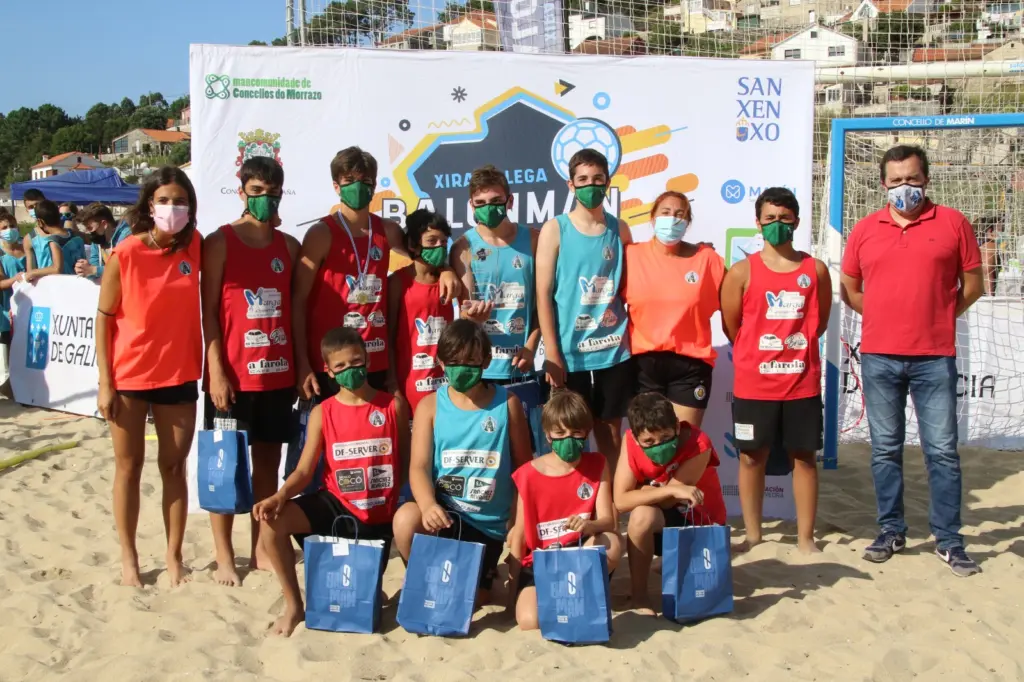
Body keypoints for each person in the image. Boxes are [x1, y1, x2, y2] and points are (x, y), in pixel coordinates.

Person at [840, 145, 984, 577]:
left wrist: (938, 315)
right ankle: (891, 531)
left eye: (913, 178)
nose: (905, 186)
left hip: (934, 358)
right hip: (879, 356)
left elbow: (973, 285)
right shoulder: (865, 229)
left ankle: (949, 540)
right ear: (883, 184)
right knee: (885, 450)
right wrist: (885, 317)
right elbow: (850, 288)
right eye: (897, 180)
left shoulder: (954, 223)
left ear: (927, 179)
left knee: (942, 452)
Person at [254, 328, 409, 636]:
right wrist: (279, 496)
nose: (351, 369)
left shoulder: (392, 405)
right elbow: (303, 471)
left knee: (368, 596)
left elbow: (406, 464)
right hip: (337, 507)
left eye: (356, 361)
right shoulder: (323, 412)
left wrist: (395, 503)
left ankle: (399, 588)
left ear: (367, 359)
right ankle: (294, 605)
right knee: (271, 522)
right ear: (328, 370)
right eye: (341, 366)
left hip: (379, 515)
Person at [95, 166, 203, 588]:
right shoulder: (126, 253)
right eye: (164, 200)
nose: (172, 208)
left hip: (179, 374)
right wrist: (105, 383)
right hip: (129, 376)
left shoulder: (196, 245)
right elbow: (104, 318)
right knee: (129, 468)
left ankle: (174, 557)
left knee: (174, 468)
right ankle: (130, 558)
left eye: (180, 201)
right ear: (148, 206)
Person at [291, 146, 460, 402]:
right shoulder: (321, 234)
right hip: (334, 363)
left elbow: (422, 252)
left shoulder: (387, 230)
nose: (358, 187)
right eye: (349, 180)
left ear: (373, 186)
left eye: (365, 181)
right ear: (336, 186)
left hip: (374, 359)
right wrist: (302, 363)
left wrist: (446, 269)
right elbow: (298, 300)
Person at [201, 156, 299, 586]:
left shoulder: (289, 246)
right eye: (257, 191)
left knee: (267, 466)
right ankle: (224, 555)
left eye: (272, 193)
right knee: (223, 470)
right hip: (232, 377)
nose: (265, 199)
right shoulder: (219, 242)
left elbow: (295, 310)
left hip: (277, 373)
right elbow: (208, 313)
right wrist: (216, 371)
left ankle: (261, 548)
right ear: (242, 192)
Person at [720, 187, 831, 553]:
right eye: (770, 218)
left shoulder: (815, 270)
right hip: (755, 385)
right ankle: (753, 534)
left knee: (805, 459)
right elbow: (732, 327)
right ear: (758, 222)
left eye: (784, 218)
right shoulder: (741, 272)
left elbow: (819, 323)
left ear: (796, 222)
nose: (777, 224)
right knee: (752, 458)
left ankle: (805, 538)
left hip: (802, 383)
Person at [392, 319, 533, 605]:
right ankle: (422, 578)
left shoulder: (508, 404)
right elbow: (418, 467)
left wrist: (517, 521)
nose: (462, 368)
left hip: (488, 526)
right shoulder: (429, 405)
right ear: (441, 363)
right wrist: (428, 505)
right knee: (406, 518)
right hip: (445, 515)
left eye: (470, 361)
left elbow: (523, 468)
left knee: (474, 598)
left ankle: (481, 578)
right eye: (454, 362)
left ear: (486, 361)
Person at [536, 149, 632, 467]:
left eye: (597, 179)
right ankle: (573, 496)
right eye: (583, 179)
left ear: (607, 182)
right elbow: (543, 293)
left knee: (610, 435)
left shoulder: (620, 230)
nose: (591, 185)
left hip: (613, 352)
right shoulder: (555, 229)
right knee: (569, 436)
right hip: (569, 354)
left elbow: (632, 287)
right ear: (571, 184)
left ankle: (610, 497)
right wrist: (552, 351)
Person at [508, 390, 621, 631]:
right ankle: (563, 596)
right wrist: (512, 593)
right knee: (529, 621)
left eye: (576, 432)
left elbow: (608, 520)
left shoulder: (598, 463)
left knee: (611, 543)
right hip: (542, 559)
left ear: (586, 432)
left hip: (580, 552)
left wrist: (589, 525)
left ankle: (583, 595)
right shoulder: (527, 474)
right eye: (560, 433)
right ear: (548, 434)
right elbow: (519, 533)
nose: (568, 439)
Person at [452, 164, 546, 452]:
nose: (488, 208)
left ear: (510, 201)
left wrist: (531, 346)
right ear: (471, 206)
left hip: (523, 369)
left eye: (495, 201)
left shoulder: (534, 239)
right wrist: (473, 318)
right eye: (480, 203)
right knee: (489, 453)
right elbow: (464, 313)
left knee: (527, 454)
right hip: (482, 371)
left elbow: (544, 303)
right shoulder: (462, 247)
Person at [614, 391, 723, 614]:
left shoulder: (699, 444)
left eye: (665, 438)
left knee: (644, 511)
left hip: (698, 525)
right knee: (641, 516)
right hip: (664, 517)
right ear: (636, 438)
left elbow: (667, 503)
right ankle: (639, 597)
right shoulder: (629, 440)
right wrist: (671, 488)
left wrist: (643, 490)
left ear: (677, 427)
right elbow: (621, 501)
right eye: (649, 441)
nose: (658, 445)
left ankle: (669, 562)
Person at [622, 191, 725, 427]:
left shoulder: (707, 259)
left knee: (685, 441)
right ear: (653, 218)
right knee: (651, 440)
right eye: (666, 212)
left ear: (688, 223)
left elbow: (735, 300)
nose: (672, 219)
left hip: (691, 365)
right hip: (644, 365)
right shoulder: (631, 255)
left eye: (680, 214)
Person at [388, 209, 455, 414]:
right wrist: (392, 384)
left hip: (447, 387)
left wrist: (447, 270)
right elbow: (388, 337)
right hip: (409, 387)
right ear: (412, 244)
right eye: (432, 241)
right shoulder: (397, 283)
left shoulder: (451, 280)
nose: (439, 247)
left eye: (444, 242)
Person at [0, 211, 27, 397]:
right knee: (7, 350)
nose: (10, 230)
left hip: (29, 307)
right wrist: (15, 279)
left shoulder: (26, 247)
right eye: (4, 227)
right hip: (6, 309)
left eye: (12, 226)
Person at [23, 199, 85, 279]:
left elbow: (56, 269)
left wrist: (32, 273)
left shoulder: (53, 241)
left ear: (40, 222)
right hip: (77, 283)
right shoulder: (77, 238)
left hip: (55, 284)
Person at [74, 202, 132, 281]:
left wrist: (94, 270)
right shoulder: (97, 240)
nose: (88, 232)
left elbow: (125, 268)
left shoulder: (127, 236)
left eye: (90, 228)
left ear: (104, 224)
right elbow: (94, 266)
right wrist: (84, 269)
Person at [976, 217, 1002, 296]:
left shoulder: (981, 245)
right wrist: (991, 295)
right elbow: (988, 269)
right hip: (989, 293)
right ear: (990, 231)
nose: (1002, 233)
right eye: (1001, 229)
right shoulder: (990, 246)